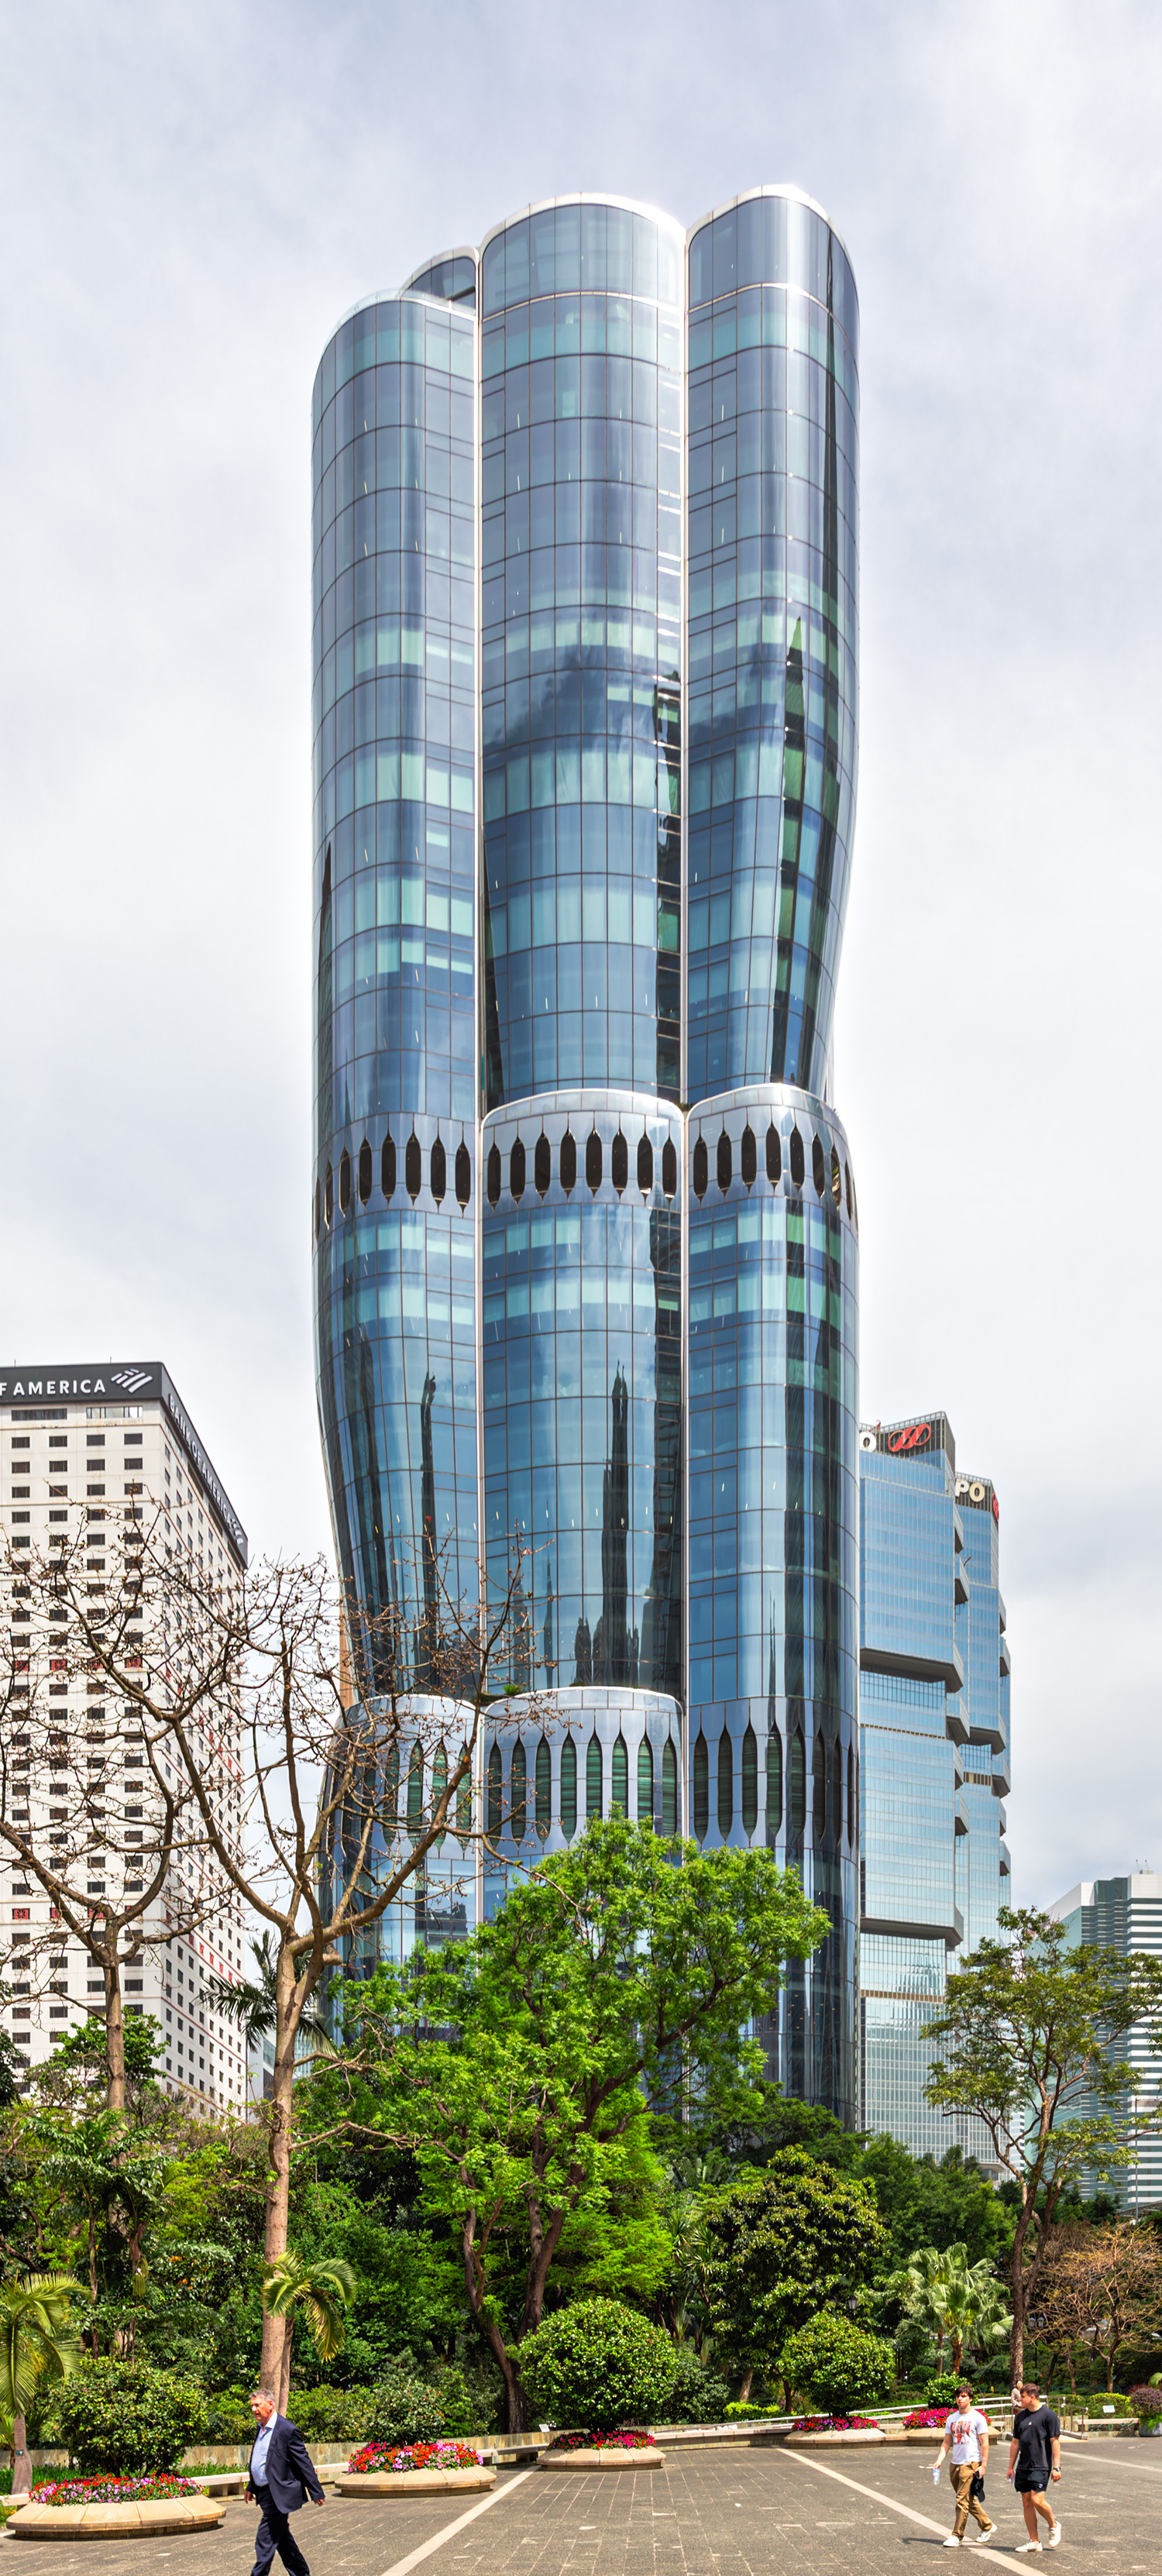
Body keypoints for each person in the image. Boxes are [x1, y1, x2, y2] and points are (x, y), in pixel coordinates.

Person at [246, 2386, 326, 2576]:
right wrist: (251, 2485)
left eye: (257, 2405)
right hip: (264, 2492)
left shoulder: (287, 2430)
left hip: (279, 2492)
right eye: (252, 2406)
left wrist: (316, 2491)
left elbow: (303, 2462)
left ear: (270, 2405)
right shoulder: (261, 2428)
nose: (254, 2409)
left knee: (265, 2540)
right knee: (281, 2539)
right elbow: (261, 2459)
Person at [933, 2384, 997, 2547]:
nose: (960, 2399)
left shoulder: (978, 2418)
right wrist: (939, 2460)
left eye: (963, 2396)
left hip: (971, 2464)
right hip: (955, 2465)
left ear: (970, 2398)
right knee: (968, 2499)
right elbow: (947, 2442)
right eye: (958, 2396)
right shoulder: (951, 2419)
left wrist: (983, 2466)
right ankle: (988, 2526)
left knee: (961, 2500)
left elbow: (985, 2444)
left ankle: (957, 2536)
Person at [1007, 2380, 1061, 2552]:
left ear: (1032, 2397)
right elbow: (1015, 2442)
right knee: (1026, 2502)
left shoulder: (1049, 2416)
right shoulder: (1020, 2417)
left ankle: (1053, 2525)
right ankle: (1034, 2542)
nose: (1019, 2400)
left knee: (1037, 2500)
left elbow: (1055, 2442)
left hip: (1041, 2465)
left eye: (1022, 2397)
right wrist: (1010, 2467)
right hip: (1024, 2466)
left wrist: (1057, 2467)